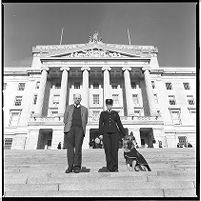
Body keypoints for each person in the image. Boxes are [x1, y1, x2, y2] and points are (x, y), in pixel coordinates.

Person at [63, 93, 88, 173]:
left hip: (79, 129)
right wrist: (68, 126)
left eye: (79, 98)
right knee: (70, 149)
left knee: (78, 148)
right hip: (70, 129)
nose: (77, 99)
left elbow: (85, 120)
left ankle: (77, 166)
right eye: (76, 98)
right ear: (74, 99)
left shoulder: (85, 109)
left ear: (80, 99)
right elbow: (65, 119)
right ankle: (70, 166)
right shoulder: (68, 107)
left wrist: (82, 128)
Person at [99, 99, 126, 172]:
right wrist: (100, 134)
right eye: (108, 105)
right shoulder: (103, 113)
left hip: (115, 133)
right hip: (106, 134)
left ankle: (115, 167)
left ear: (112, 105)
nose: (109, 106)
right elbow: (101, 124)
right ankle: (109, 167)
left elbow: (119, 123)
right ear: (106, 105)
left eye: (110, 105)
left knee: (114, 150)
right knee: (108, 150)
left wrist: (124, 133)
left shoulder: (115, 113)